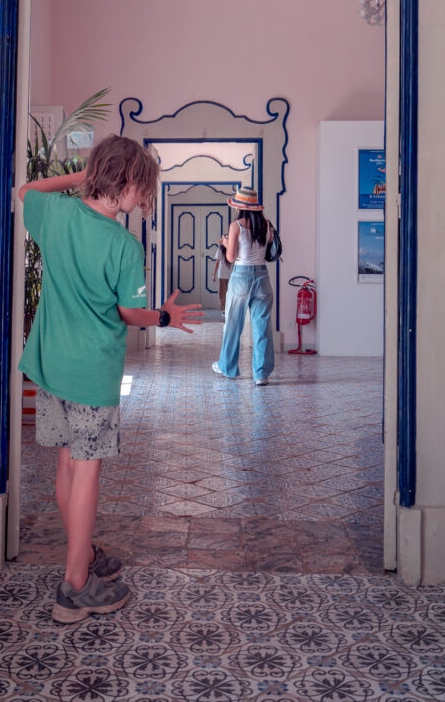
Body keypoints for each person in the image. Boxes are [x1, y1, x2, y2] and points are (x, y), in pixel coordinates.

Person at [18, 134, 203, 624]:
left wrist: (86, 175)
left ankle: (85, 553)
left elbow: (27, 190)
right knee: (88, 470)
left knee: (66, 466)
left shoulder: (54, 217)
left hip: (48, 365)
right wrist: (163, 317)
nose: (143, 199)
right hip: (91, 373)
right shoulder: (123, 245)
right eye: (140, 188)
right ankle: (75, 587)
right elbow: (127, 313)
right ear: (123, 183)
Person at [212, 187, 275, 387]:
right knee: (262, 328)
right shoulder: (266, 225)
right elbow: (266, 253)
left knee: (233, 325)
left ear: (239, 207)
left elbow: (230, 257)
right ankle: (261, 375)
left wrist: (225, 241)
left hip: (241, 276)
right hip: (262, 278)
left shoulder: (236, 225)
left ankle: (228, 368)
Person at [212, 241, 233, 315]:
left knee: (229, 292)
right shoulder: (220, 249)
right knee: (222, 292)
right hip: (222, 274)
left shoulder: (232, 248)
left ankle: (228, 308)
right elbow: (217, 262)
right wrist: (214, 274)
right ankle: (223, 309)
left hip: (230, 274)